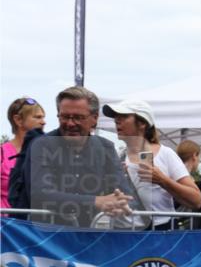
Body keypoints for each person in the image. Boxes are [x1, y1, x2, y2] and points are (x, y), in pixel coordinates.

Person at [10, 86, 131, 225]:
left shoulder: (106, 147)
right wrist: (96, 201)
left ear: (95, 118)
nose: (70, 123)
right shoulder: (41, 145)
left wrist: (119, 202)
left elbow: (123, 192)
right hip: (45, 239)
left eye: (78, 117)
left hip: (88, 237)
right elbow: (40, 194)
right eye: (65, 117)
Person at [103, 99, 201, 229]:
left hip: (159, 234)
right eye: (115, 117)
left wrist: (162, 180)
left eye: (124, 116)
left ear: (142, 123)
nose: (117, 120)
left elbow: (196, 200)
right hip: (123, 235)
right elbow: (102, 199)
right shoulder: (116, 156)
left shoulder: (165, 154)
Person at [2, 97, 46, 208]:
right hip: (6, 222)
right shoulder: (2, 153)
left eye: (43, 117)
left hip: (37, 220)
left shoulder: (48, 152)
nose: (43, 122)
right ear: (18, 120)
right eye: (37, 117)